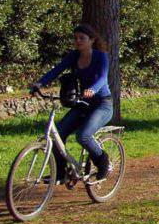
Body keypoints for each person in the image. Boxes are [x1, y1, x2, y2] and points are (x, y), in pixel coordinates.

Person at [30, 23, 113, 183]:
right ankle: (60, 174)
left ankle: (102, 161)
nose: (78, 41)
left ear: (92, 40)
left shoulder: (100, 56)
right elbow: (56, 70)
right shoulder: (74, 56)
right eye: (75, 38)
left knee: (83, 136)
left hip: (103, 104)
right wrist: (40, 84)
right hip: (83, 103)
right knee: (58, 134)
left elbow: (103, 77)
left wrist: (93, 89)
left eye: (82, 38)